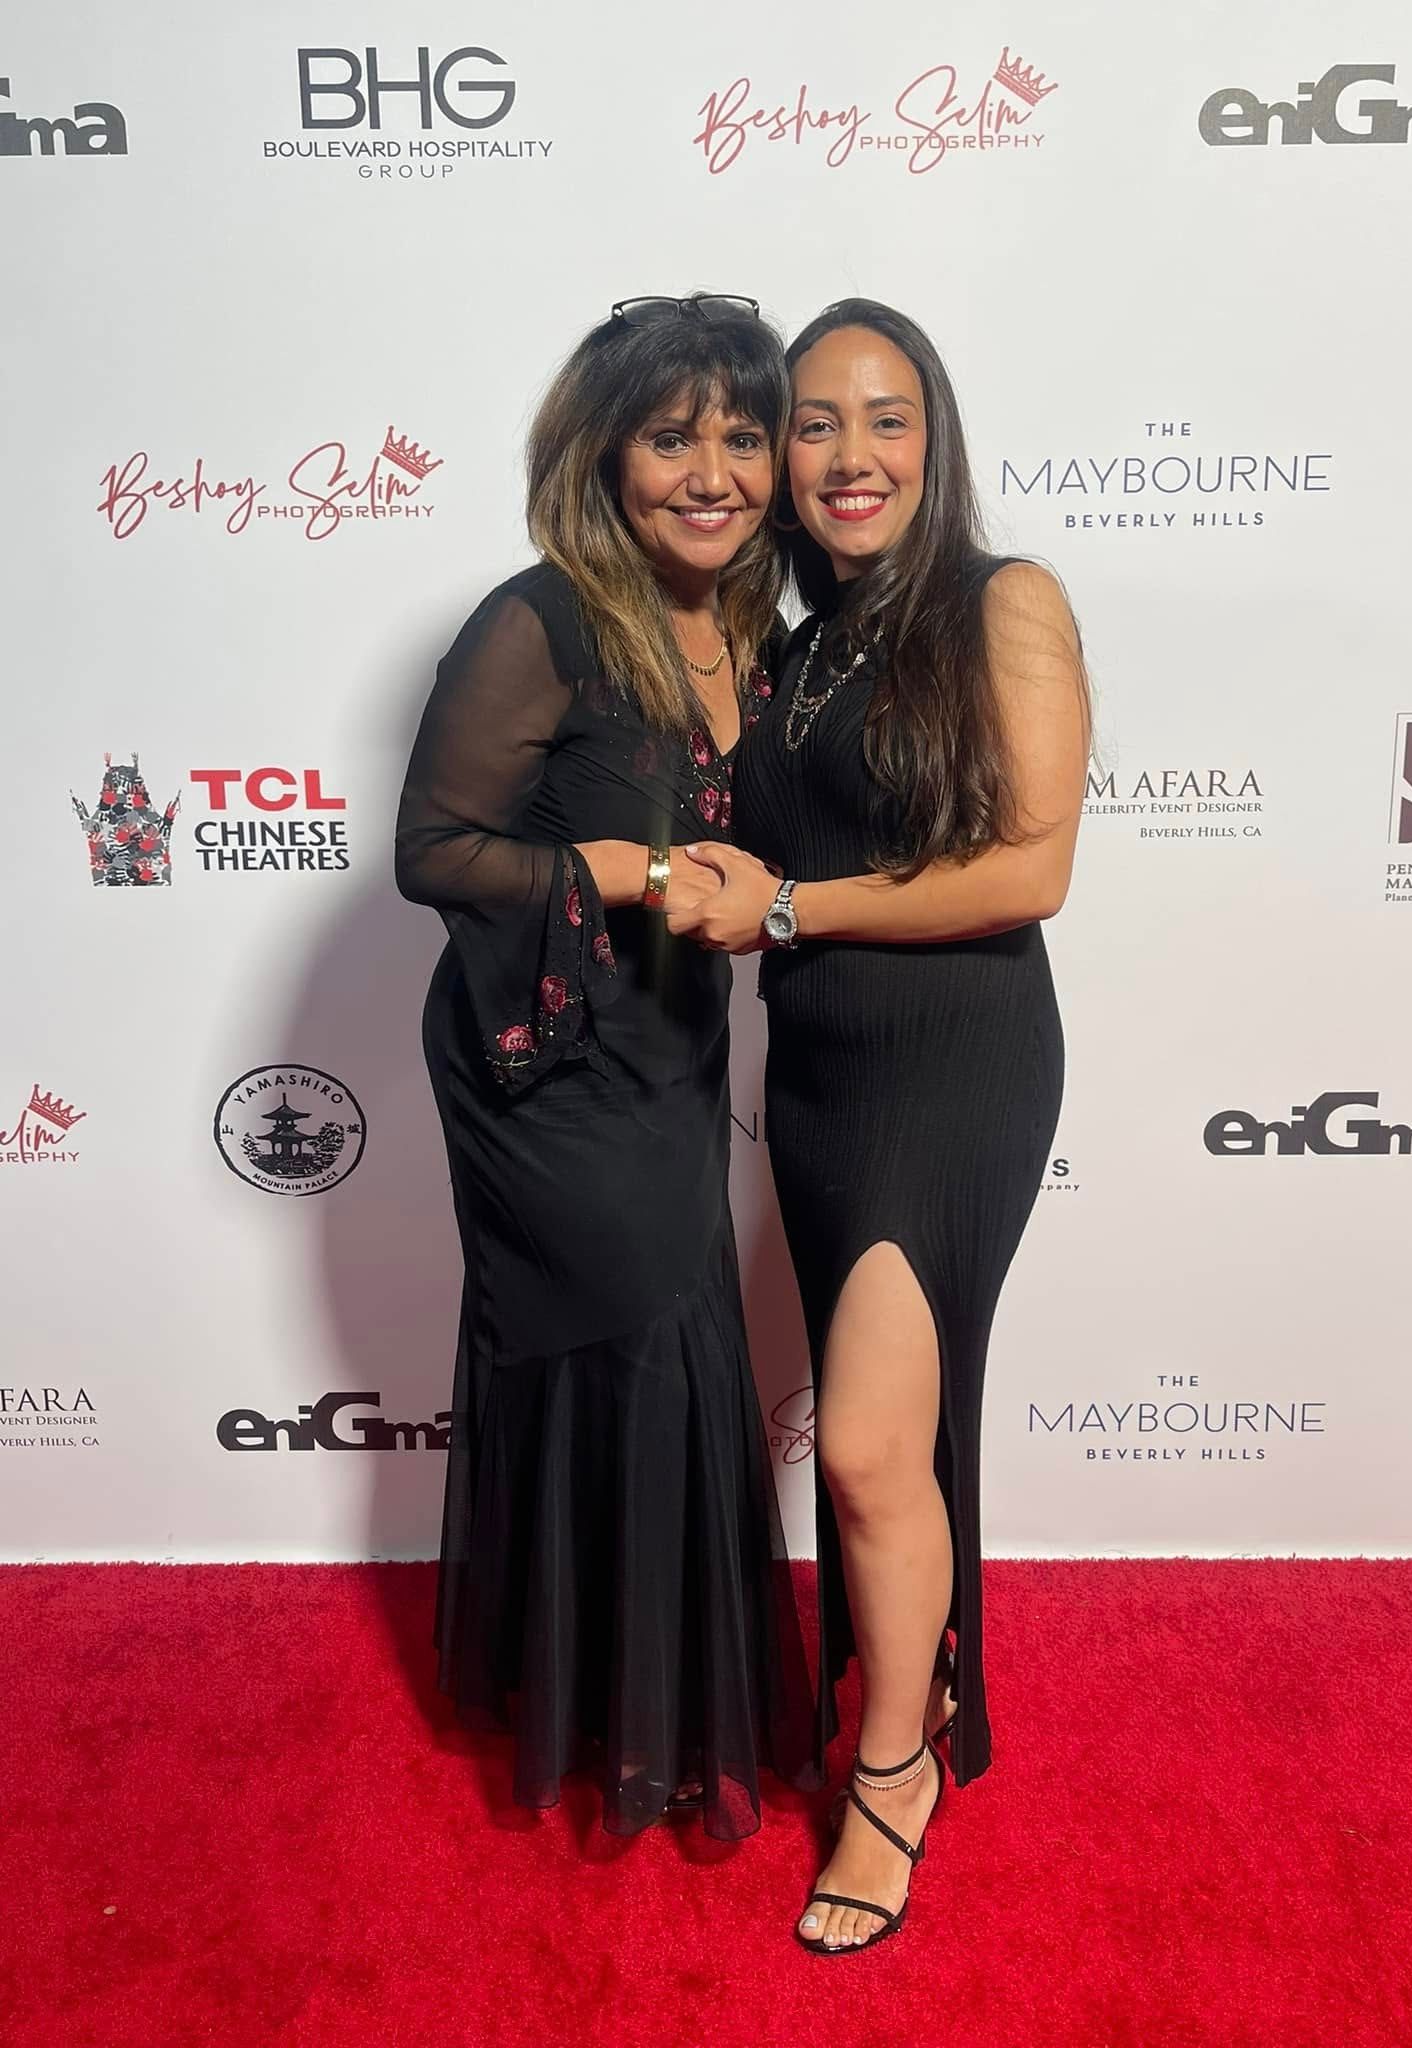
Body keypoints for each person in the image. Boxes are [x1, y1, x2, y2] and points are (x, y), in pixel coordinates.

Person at [669, 299, 1089, 1943]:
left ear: (938, 437)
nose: (853, 455)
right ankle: (912, 1686)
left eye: (887, 417)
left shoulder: (1006, 603)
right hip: (826, 1070)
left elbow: (1030, 870)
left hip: (959, 1056)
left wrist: (786, 915)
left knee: (857, 1450)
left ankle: (895, 1768)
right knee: (887, 1449)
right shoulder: (785, 648)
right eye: (816, 423)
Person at [394, 293, 814, 1841]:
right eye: (670, 435)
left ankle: (616, 1692)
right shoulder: (544, 617)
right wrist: (638, 874)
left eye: (743, 434)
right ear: (605, 455)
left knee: (673, 1343)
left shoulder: (751, 627)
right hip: (544, 1060)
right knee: (639, 1344)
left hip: (672, 1050)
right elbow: (433, 853)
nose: (712, 471)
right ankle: (631, 1722)